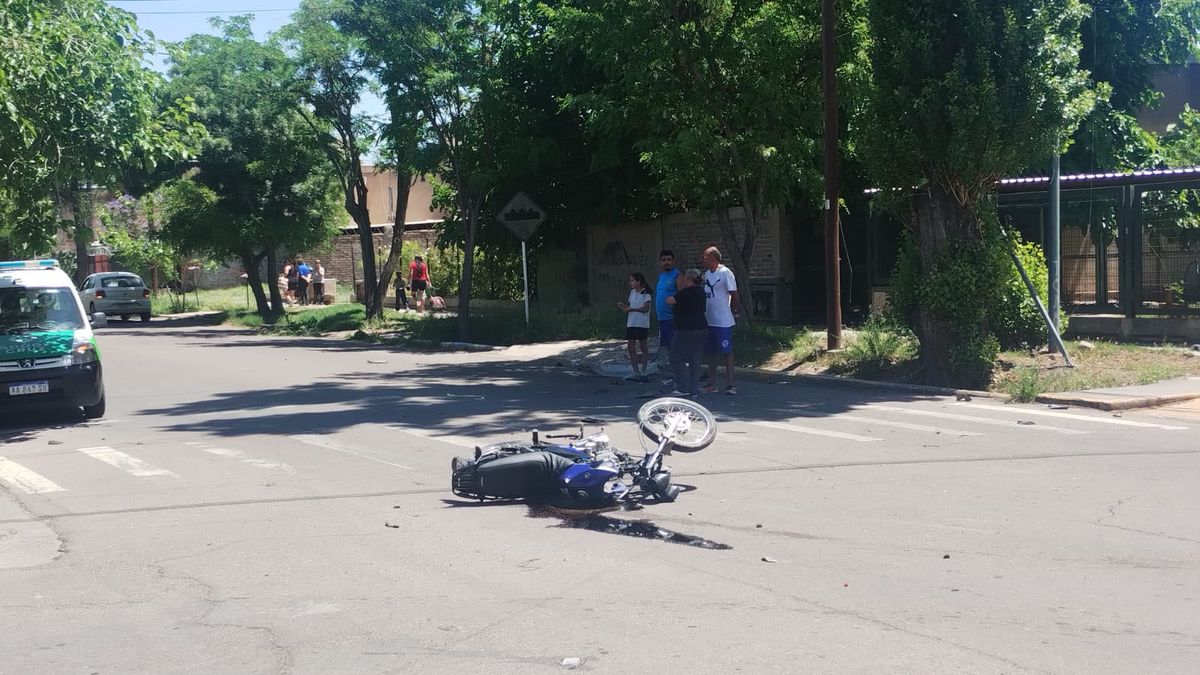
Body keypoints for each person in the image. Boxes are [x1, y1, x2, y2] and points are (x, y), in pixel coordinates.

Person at [700, 246, 739, 395]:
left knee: (726, 351)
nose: (702, 260)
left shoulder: (725, 273)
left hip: (723, 320)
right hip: (709, 319)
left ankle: (731, 384)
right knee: (710, 352)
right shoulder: (707, 274)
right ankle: (712, 383)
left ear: (713, 258)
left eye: (704, 258)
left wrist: (735, 310)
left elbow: (734, 294)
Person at [665, 268, 707, 397]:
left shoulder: (685, 292)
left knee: (675, 357)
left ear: (688, 278)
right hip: (701, 327)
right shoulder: (701, 291)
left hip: (685, 329)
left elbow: (670, 301)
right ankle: (694, 389)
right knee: (695, 359)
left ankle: (682, 387)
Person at [617, 272, 652, 382]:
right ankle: (635, 371)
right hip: (631, 323)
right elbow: (630, 308)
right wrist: (624, 307)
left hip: (641, 324)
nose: (630, 283)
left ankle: (644, 371)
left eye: (632, 280)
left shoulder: (646, 294)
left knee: (643, 347)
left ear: (639, 281)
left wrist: (632, 309)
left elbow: (645, 309)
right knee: (631, 347)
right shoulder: (632, 293)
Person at [655, 249, 680, 387]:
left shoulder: (677, 276)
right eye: (664, 260)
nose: (666, 262)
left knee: (675, 349)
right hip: (662, 319)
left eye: (669, 259)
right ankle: (674, 376)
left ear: (673, 261)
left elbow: (682, 295)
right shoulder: (661, 276)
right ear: (660, 262)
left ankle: (680, 378)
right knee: (669, 349)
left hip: (672, 319)